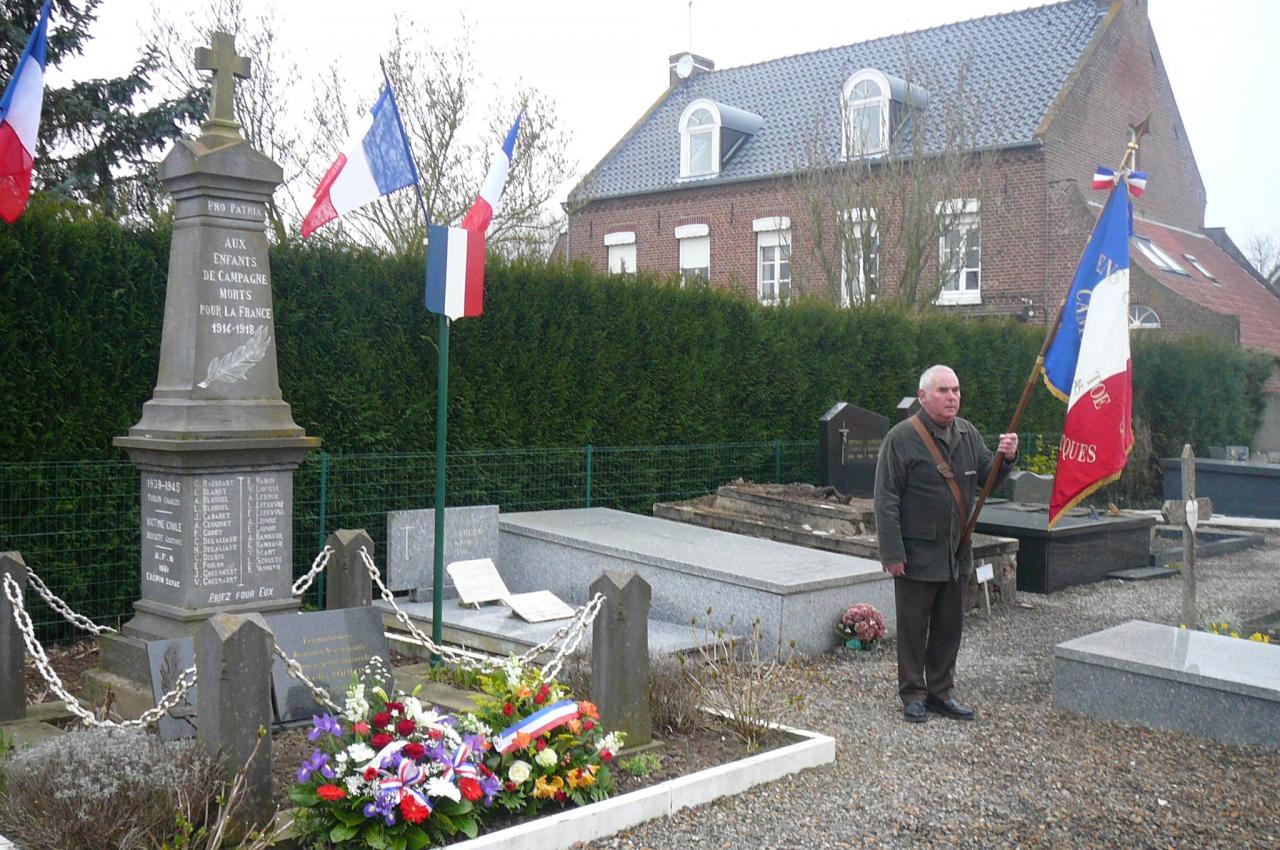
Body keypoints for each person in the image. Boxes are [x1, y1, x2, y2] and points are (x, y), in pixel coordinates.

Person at [873, 365, 1018, 723]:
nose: (952, 396)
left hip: (956, 550)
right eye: (943, 390)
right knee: (912, 626)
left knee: (948, 626)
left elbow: (987, 477)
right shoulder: (901, 438)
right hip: (917, 552)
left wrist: (1007, 457)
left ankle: (940, 691)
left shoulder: (967, 433)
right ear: (923, 396)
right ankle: (912, 694)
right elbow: (886, 498)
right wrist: (892, 552)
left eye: (955, 390)